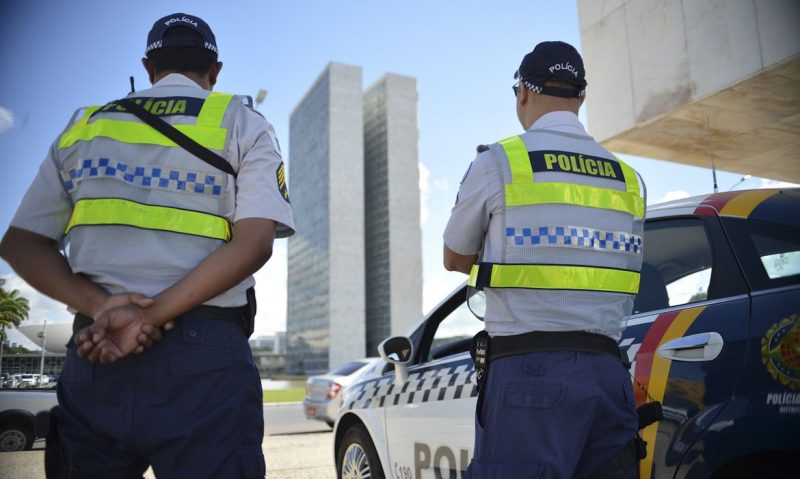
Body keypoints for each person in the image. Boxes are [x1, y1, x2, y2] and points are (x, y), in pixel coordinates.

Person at [0, 13, 294, 478]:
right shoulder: (242, 121)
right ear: (214, 71)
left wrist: (104, 309)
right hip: (207, 358)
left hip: (98, 351)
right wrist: (150, 316)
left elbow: (20, 244)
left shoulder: (86, 127)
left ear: (148, 65)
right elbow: (255, 243)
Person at [444, 41, 646, 479]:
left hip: (528, 375)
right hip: (609, 376)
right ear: (581, 98)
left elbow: (455, 256)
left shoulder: (498, 163)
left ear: (522, 92)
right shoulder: (628, 179)